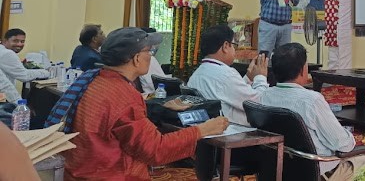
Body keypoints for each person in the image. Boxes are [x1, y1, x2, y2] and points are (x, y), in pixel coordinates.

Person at [48, 27, 228, 180]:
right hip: (111, 174)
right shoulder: (123, 95)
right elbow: (155, 150)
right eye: (149, 51)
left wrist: (159, 106)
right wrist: (203, 130)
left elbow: (116, 118)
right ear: (136, 58)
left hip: (78, 171)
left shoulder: (94, 79)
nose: (151, 56)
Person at [260, 43, 365, 179]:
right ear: (302, 70)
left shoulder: (265, 95)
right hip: (316, 171)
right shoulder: (311, 100)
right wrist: (350, 139)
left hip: (278, 169)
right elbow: (342, 143)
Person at [187, 24, 270, 125]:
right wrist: (261, 77)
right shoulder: (226, 74)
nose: (234, 50)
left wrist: (248, 78)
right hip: (234, 133)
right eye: (234, 45)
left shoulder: (198, 73)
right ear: (225, 46)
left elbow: (227, 93)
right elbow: (259, 105)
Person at [0, 29, 49, 101]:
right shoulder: (7, 53)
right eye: (15, 41)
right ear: (5, 41)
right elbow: (24, 76)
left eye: (22, 41)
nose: (19, 44)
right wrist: (46, 72)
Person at [138, 28, 168, 95]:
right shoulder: (149, 59)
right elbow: (161, 84)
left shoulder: (150, 58)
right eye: (152, 43)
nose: (155, 46)